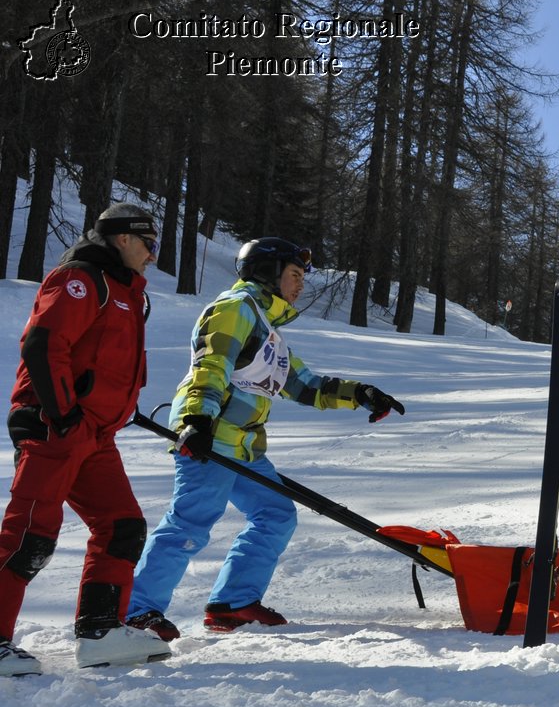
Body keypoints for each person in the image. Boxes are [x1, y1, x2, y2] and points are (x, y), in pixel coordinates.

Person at [125, 238, 405, 640]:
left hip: (244, 448)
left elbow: (304, 385)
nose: (301, 285)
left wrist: (360, 393)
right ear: (267, 273)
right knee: (190, 523)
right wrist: (196, 422)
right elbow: (211, 365)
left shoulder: (265, 327)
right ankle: (138, 611)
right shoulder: (234, 309)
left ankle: (234, 602)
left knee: (275, 514)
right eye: (294, 275)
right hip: (210, 440)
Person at [0, 203, 173, 673]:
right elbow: (44, 344)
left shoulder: (125, 290)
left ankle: (101, 633)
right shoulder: (81, 279)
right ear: (122, 239)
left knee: (122, 526)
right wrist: (64, 415)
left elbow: (102, 360)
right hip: (55, 426)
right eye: (149, 244)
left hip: (94, 435)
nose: (153, 256)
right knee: (28, 535)